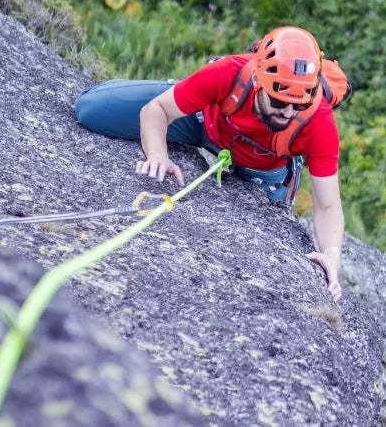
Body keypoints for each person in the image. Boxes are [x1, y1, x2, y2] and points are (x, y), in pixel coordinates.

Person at [75, 26, 344, 301]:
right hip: (204, 123)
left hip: (265, 165)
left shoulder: (318, 122)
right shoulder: (228, 73)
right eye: (278, 100)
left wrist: (332, 255)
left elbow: (327, 204)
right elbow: (156, 110)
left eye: (297, 105)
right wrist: (157, 154)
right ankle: (186, 90)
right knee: (91, 108)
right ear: (257, 79)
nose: (287, 113)